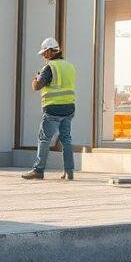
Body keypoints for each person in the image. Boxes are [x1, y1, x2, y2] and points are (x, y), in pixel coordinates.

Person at [22, 37, 76, 181]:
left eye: (45, 53)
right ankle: (69, 171)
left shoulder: (49, 67)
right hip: (69, 108)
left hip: (53, 109)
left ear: (51, 51)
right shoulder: (69, 66)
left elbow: (36, 87)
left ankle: (38, 170)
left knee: (44, 139)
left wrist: (35, 78)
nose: (43, 56)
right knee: (66, 139)